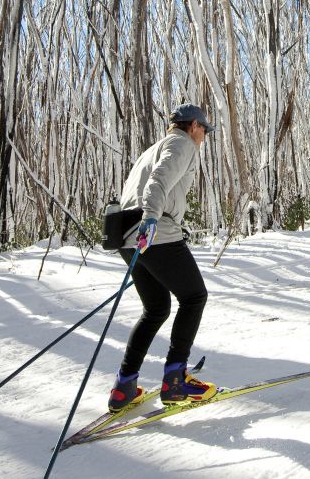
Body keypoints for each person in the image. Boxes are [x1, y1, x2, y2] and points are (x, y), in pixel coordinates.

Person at [108, 104, 218, 412]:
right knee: (194, 297)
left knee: (156, 309)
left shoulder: (151, 149)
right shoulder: (181, 144)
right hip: (155, 232)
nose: (205, 137)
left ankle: (124, 387)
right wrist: (152, 219)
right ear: (193, 125)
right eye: (205, 130)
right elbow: (158, 181)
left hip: (129, 239)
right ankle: (175, 381)